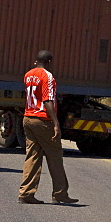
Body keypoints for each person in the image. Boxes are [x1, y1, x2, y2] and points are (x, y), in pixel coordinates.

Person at [18, 50, 77, 205]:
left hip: (28, 117)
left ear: (35, 61)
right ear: (49, 62)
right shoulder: (47, 76)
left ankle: (26, 193)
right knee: (55, 156)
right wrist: (56, 123)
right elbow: (47, 100)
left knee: (32, 156)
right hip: (42, 119)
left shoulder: (28, 75)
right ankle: (60, 193)